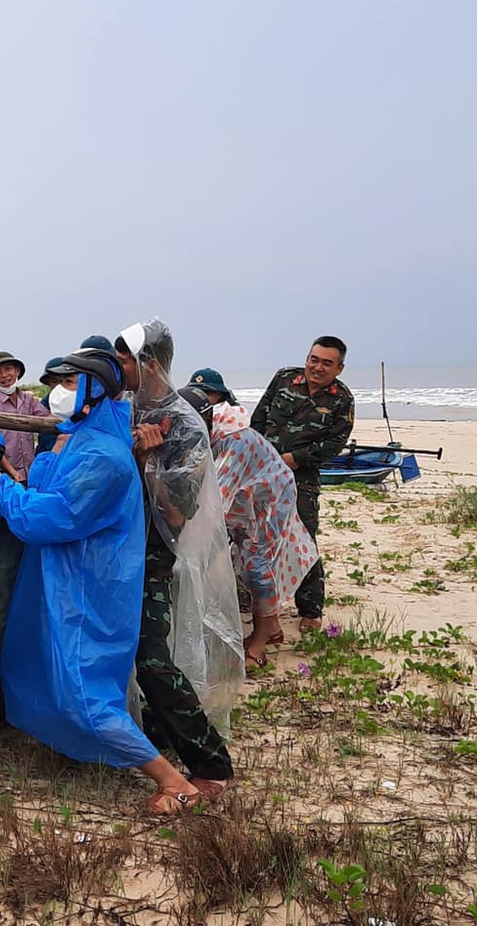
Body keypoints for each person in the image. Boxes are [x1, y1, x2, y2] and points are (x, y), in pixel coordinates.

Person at [0, 347, 214, 813]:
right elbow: (45, 484)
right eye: (55, 384)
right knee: (43, 666)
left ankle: (175, 782)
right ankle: (75, 749)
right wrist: (34, 459)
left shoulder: (105, 457)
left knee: (84, 689)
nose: (56, 394)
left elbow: (46, 516)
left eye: (69, 384)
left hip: (90, 588)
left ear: (93, 390)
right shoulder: (78, 438)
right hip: (62, 579)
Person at [113, 320, 242, 795]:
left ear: (148, 364)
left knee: (149, 655)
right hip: (118, 547)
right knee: (128, 649)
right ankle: (155, 734)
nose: (117, 368)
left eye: (124, 360)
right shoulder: (124, 408)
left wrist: (148, 461)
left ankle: (209, 765)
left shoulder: (183, 423)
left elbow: (178, 513)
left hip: (152, 554)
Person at [250, 336, 355, 634]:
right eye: (314, 359)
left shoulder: (342, 399)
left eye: (326, 363)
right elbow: (259, 418)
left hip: (301, 477)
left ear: (339, 368)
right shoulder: (284, 378)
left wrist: (294, 458)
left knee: (302, 539)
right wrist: (260, 453)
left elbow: (335, 443)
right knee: (258, 536)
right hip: (265, 471)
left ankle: (310, 609)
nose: (317, 367)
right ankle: (262, 605)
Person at [210, 401, 320, 667]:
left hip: (270, 498)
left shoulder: (233, 441)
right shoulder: (210, 433)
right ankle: (271, 628)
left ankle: (259, 644)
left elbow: (215, 501)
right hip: (246, 495)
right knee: (244, 555)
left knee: (256, 566)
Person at [0, 350, 42, 477]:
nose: (4, 375)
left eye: (8, 369)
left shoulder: (28, 400)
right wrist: (12, 472)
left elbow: (47, 419)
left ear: (17, 371)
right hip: (4, 474)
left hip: (31, 471)